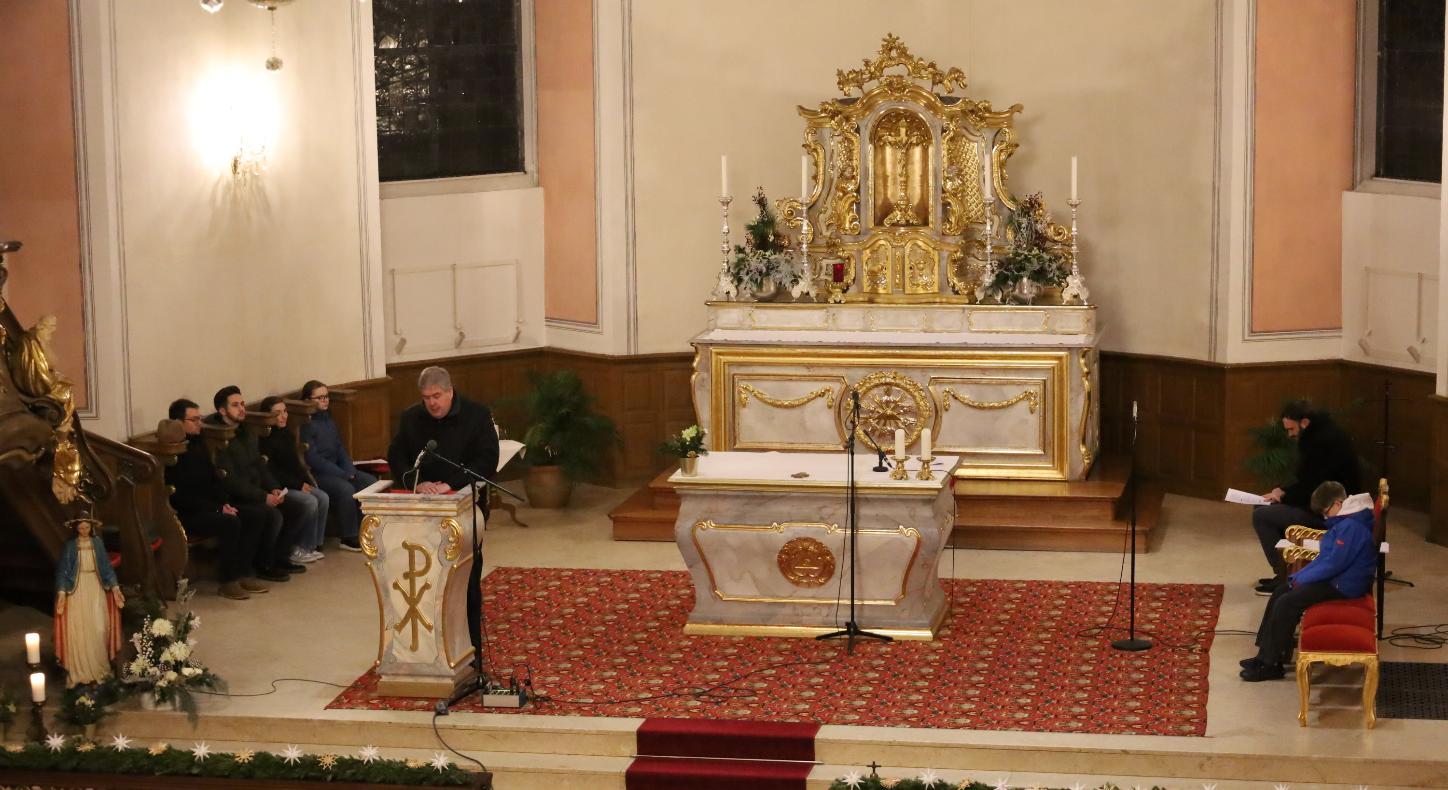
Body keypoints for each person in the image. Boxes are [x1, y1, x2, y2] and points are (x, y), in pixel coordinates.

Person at [1240, 480, 1377, 682]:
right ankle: (1268, 655)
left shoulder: (1351, 527)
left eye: (1325, 511)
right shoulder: (1346, 521)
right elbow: (1326, 558)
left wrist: (1300, 580)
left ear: (1338, 504)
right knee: (1281, 591)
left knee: (1288, 601)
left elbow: (1333, 564)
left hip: (1344, 585)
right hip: (1337, 578)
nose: (1324, 516)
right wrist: (1296, 578)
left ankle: (1269, 665)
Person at [1250, 400, 1362, 593]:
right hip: (1323, 502)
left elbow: (1312, 490)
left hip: (1330, 512)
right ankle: (1285, 570)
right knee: (1263, 508)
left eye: (1291, 429)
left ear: (1304, 423)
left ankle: (1284, 577)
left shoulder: (1322, 443)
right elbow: (1308, 481)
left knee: (1262, 515)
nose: (1290, 434)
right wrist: (1282, 492)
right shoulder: (1321, 435)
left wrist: (1283, 496)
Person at [164, 398, 272, 597]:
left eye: (200, 418)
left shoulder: (199, 443)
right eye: (194, 420)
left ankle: (243, 572)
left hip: (210, 506)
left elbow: (215, 480)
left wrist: (224, 503)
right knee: (230, 523)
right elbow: (183, 497)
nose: (200, 423)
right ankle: (228, 581)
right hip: (188, 513)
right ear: (179, 423)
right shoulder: (172, 453)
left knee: (257, 515)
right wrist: (217, 509)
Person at [206, 386, 307, 578]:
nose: (242, 408)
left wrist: (273, 488)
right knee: (270, 514)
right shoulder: (217, 437)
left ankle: (280, 557)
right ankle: (262, 565)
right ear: (222, 410)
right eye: (235, 405)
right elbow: (230, 480)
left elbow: (260, 465)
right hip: (235, 496)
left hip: (256, 490)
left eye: (242, 404)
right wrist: (263, 496)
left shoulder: (246, 430)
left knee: (297, 507)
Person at [386, 366, 499, 496]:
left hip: (466, 493)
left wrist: (450, 485)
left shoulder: (477, 415)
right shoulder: (410, 417)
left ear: (450, 391)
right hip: (421, 496)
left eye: (436, 396)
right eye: (426, 397)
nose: (431, 403)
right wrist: (417, 483)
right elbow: (396, 456)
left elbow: (487, 460)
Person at [299, 380, 377, 552]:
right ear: (307, 400)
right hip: (319, 474)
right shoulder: (306, 425)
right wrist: (342, 474)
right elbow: (313, 459)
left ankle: (368, 530)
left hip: (338, 469)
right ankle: (348, 536)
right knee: (345, 489)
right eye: (319, 398)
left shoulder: (329, 419)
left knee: (370, 482)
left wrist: (349, 469)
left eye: (326, 396)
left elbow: (339, 448)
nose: (325, 400)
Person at [54, 517, 124, 686]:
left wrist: (115, 587)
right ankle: (79, 670)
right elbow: (63, 570)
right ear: (76, 528)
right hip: (76, 591)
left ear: (91, 528)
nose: (84, 530)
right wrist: (62, 592)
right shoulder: (71, 546)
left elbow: (106, 568)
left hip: (95, 587)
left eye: (86, 527)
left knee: (98, 627)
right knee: (78, 629)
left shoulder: (97, 543)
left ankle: (100, 666)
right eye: (81, 528)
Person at [258, 396, 328, 564]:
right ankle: (298, 548)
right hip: (278, 487)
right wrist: (297, 484)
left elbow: (295, 464)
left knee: (322, 496)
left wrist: (307, 481)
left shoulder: (287, 434)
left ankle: (312, 545)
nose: (283, 416)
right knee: (309, 502)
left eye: (285, 412)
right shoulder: (263, 439)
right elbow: (271, 471)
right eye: (277, 413)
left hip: (293, 483)